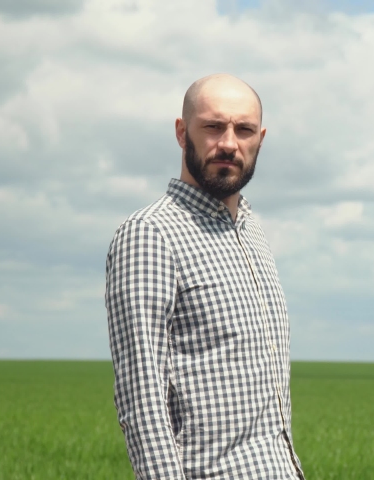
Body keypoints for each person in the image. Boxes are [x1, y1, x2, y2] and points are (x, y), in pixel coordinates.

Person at [104, 74, 304, 479]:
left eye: (244, 129)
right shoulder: (151, 233)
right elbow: (142, 400)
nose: (229, 143)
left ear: (260, 139)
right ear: (182, 133)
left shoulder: (251, 230)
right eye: (213, 126)